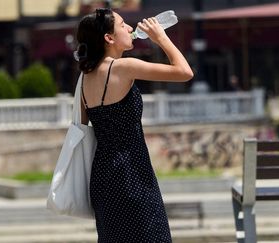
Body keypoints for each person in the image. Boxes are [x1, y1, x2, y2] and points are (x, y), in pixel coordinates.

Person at [75, 8, 193, 242]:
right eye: (122, 24)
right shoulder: (123, 67)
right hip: (131, 172)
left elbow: (82, 125)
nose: (130, 28)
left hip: (102, 174)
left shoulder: (85, 77)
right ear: (109, 38)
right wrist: (161, 38)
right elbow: (184, 72)